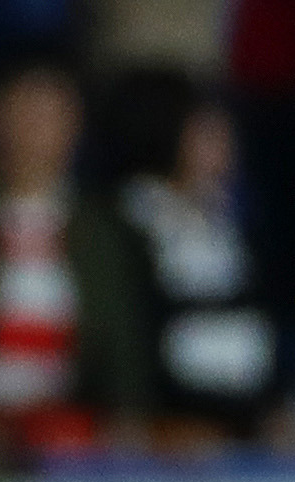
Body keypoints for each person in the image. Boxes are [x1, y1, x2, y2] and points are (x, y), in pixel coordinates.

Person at [0, 59, 150, 458]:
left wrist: (126, 418)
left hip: (67, 435)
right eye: (23, 111)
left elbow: (121, 344)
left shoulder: (103, 232)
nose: (34, 128)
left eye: (49, 114)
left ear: (75, 126)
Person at [102, 66, 278, 446]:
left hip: (241, 432)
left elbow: (253, 331)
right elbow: (129, 341)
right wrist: (159, 424)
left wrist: (269, 414)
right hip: (162, 443)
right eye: (206, 131)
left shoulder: (229, 225)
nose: (226, 143)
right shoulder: (126, 226)